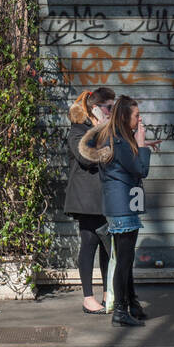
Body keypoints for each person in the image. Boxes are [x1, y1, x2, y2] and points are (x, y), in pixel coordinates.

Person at [79, 95, 158, 327]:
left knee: (126, 258)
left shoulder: (118, 139)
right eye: (136, 115)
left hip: (123, 204)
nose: (139, 118)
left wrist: (139, 144)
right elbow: (141, 170)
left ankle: (131, 303)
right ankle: (121, 311)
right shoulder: (119, 142)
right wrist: (142, 145)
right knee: (123, 261)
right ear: (124, 117)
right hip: (122, 206)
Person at [64, 87, 115, 314]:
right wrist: (101, 129)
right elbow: (86, 158)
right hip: (86, 198)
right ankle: (87, 297)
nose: (112, 111)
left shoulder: (108, 129)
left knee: (108, 247)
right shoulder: (78, 130)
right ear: (95, 108)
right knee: (89, 243)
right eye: (108, 107)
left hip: (106, 196)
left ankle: (107, 293)